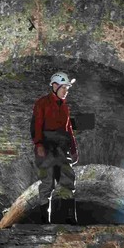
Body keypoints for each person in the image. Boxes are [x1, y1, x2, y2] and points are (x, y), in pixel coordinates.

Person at [33, 71, 80, 225]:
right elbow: (37, 124)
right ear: (55, 86)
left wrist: (73, 149)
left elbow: (69, 130)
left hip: (62, 146)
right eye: (63, 88)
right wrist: (39, 144)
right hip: (46, 145)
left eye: (67, 89)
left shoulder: (65, 108)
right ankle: (44, 219)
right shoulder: (42, 103)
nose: (66, 92)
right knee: (47, 181)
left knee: (67, 179)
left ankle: (70, 216)